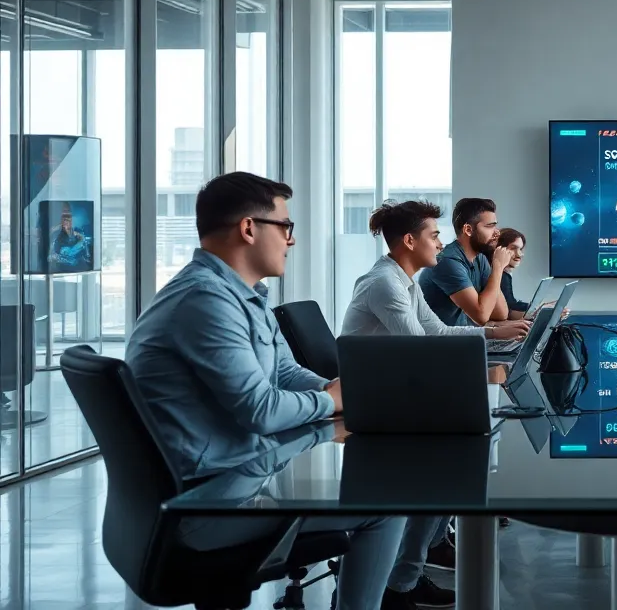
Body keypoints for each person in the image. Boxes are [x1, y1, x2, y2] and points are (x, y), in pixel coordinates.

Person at [123, 172, 438, 610]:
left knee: (380, 485)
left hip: (235, 480)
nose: (291, 240)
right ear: (249, 228)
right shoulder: (205, 301)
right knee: (386, 504)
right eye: (285, 227)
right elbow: (262, 410)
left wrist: (335, 389)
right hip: (205, 507)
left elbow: (285, 372)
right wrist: (333, 400)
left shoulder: (241, 295)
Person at [419, 197, 525, 337]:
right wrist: (498, 267)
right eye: (490, 226)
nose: (497, 233)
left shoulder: (479, 258)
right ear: (468, 229)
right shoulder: (447, 262)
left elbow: (500, 313)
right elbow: (481, 316)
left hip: (464, 340)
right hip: (442, 347)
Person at [495, 227, 531, 319]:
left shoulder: (504, 273)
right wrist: (539, 308)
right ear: (498, 249)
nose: (519, 254)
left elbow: (511, 303)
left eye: (520, 249)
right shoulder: (500, 275)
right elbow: (510, 306)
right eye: (513, 248)